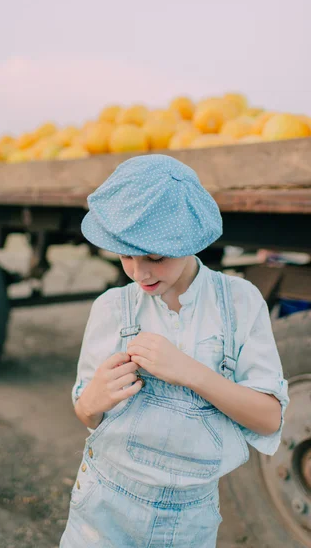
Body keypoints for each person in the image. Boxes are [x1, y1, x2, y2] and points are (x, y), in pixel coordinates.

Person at [59, 154, 289, 548]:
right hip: (102, 508)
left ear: (191, 240)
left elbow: (269, 419)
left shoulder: (239, 303)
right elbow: (88, 413)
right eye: (126, 255)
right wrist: (91, 401)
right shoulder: (112, 308)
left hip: (190, 520)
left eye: (155, 257)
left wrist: (190, 372)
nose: (139, 273)